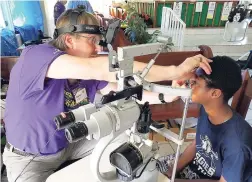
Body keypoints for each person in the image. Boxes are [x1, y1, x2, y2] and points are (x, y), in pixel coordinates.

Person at [2, 8, 212, 182]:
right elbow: (101, 67)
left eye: (98, 41)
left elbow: (120, 90)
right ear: (68, 40)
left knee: (120, 137)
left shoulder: (85, 73)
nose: (97, 47)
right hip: (29, 158)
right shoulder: (36, 56)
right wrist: (174, 70)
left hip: (68, 143)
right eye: (91, 40)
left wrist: (168, 95)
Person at [157, 56, 252, 182]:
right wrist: (173, 172)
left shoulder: (237, 144)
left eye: (195, 82)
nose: (189, 84)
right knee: (149, 167)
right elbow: (198, 143)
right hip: (196, 168)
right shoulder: (206, 108)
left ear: (215, 93)